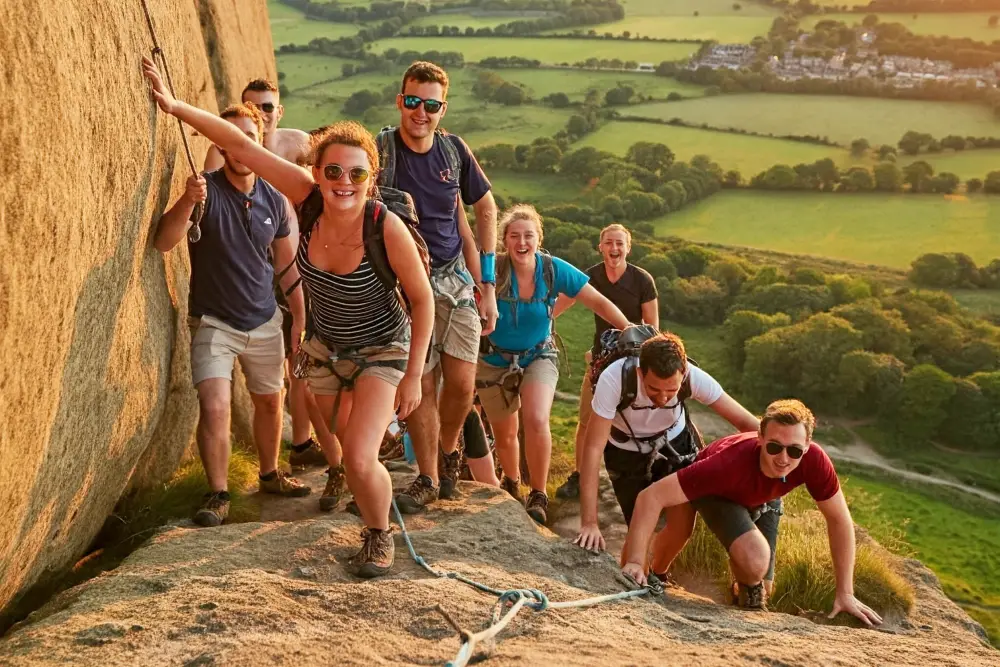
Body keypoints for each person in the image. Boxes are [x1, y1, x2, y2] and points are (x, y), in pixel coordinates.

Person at [143, 57, 435, 578]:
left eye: (356, 173)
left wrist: (412, 375)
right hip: (326, 347)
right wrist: (173, 105)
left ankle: (378, 534)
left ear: (372, 178)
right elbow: (243, 147)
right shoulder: (305, 198)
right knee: (344, 447)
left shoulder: (384, 227)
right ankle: (366, 478)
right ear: (317, 173)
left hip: (381, 347)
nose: (343, 182)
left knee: (362, 457)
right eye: (332, 171)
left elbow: (423, 300)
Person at [151, 100, 312, 527]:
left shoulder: (274, 201)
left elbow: (286, 264)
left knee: (269, 403)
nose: (238, 150)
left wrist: (299, 319)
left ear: (259, 143)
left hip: (264, 320)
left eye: (248, 140)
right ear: (220, 147)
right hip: (214, 322)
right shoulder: (203, 189)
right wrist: (187, 201)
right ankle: (219, 493)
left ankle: (270, 474)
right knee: (216, 405)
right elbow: (164, 242)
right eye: (230, 141)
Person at [619, 399, 884, 627]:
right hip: (719, 492)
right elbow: (649, 497)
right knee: (755, 558)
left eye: (794, 451)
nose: (783, 458)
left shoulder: (814, 461)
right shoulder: (724, 466)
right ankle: (658, 573)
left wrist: (845, 593)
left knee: (761, 582)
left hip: (766, 496)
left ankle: (741, 593)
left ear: (807, 446)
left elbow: (839, 520)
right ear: (760, 438)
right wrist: (634, 561)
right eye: (774, 447)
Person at [381, 61, 502, 515]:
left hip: (454, 278)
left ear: (442, 109)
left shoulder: (453, 151)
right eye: (413, 101)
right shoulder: (382, 151)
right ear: (400, 100)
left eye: (431, 105)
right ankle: (428, 476)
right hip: (403, 280)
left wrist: (486, 283)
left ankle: (448, 455)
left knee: (463, 381)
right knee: (423, 382)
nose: (421, 112)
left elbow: (485, 209)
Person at [206, 78, 339, 478]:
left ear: (278, 111)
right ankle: (295, 449)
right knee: (285, 364)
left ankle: (302, 443)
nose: (261, 114)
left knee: (303, 360)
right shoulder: (224, 153)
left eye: (267, 107)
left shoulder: (294, 145)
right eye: (253, 107)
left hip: (298, 263)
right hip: (255, 270)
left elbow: (326, 178)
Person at [476, 204, 630, 525]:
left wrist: (630, 330)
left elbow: (598, 301)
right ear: (504, 240)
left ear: (538, 238)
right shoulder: (492, 270)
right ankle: (513, 482)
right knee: (505, 434)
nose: (522, 242)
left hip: (538, 355)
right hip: (493, 358)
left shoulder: (552, 269)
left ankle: (539, 492)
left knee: (535, 417)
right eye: (514, 236)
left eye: (528, 235)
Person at [574, 332, 759, 574]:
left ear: (683, 374)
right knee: (638, 528)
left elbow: (747, 423)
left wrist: (787, 454)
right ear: (640, 373)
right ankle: (634, 575)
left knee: (682, 526)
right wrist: (589, 523)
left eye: (671, 391)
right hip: (626, 452)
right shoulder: (616, 378)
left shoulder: (694, 378)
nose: (662, 398)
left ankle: (658, 574)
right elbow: (593, 449)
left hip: (675, 445)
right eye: (653, 389)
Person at [554, 223, 659, 500]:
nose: (614, 249)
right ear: (600, 247)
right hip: (601, 359)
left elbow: (653, 326)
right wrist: (536, 322)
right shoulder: (591, 277)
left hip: (636, 359)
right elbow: (559, 305)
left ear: (628, 247)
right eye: (608, 243)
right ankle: (580, 476)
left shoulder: (642, 280)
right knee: (587, 420)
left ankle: (644, 477)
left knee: (641, 421)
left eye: (619, 243)